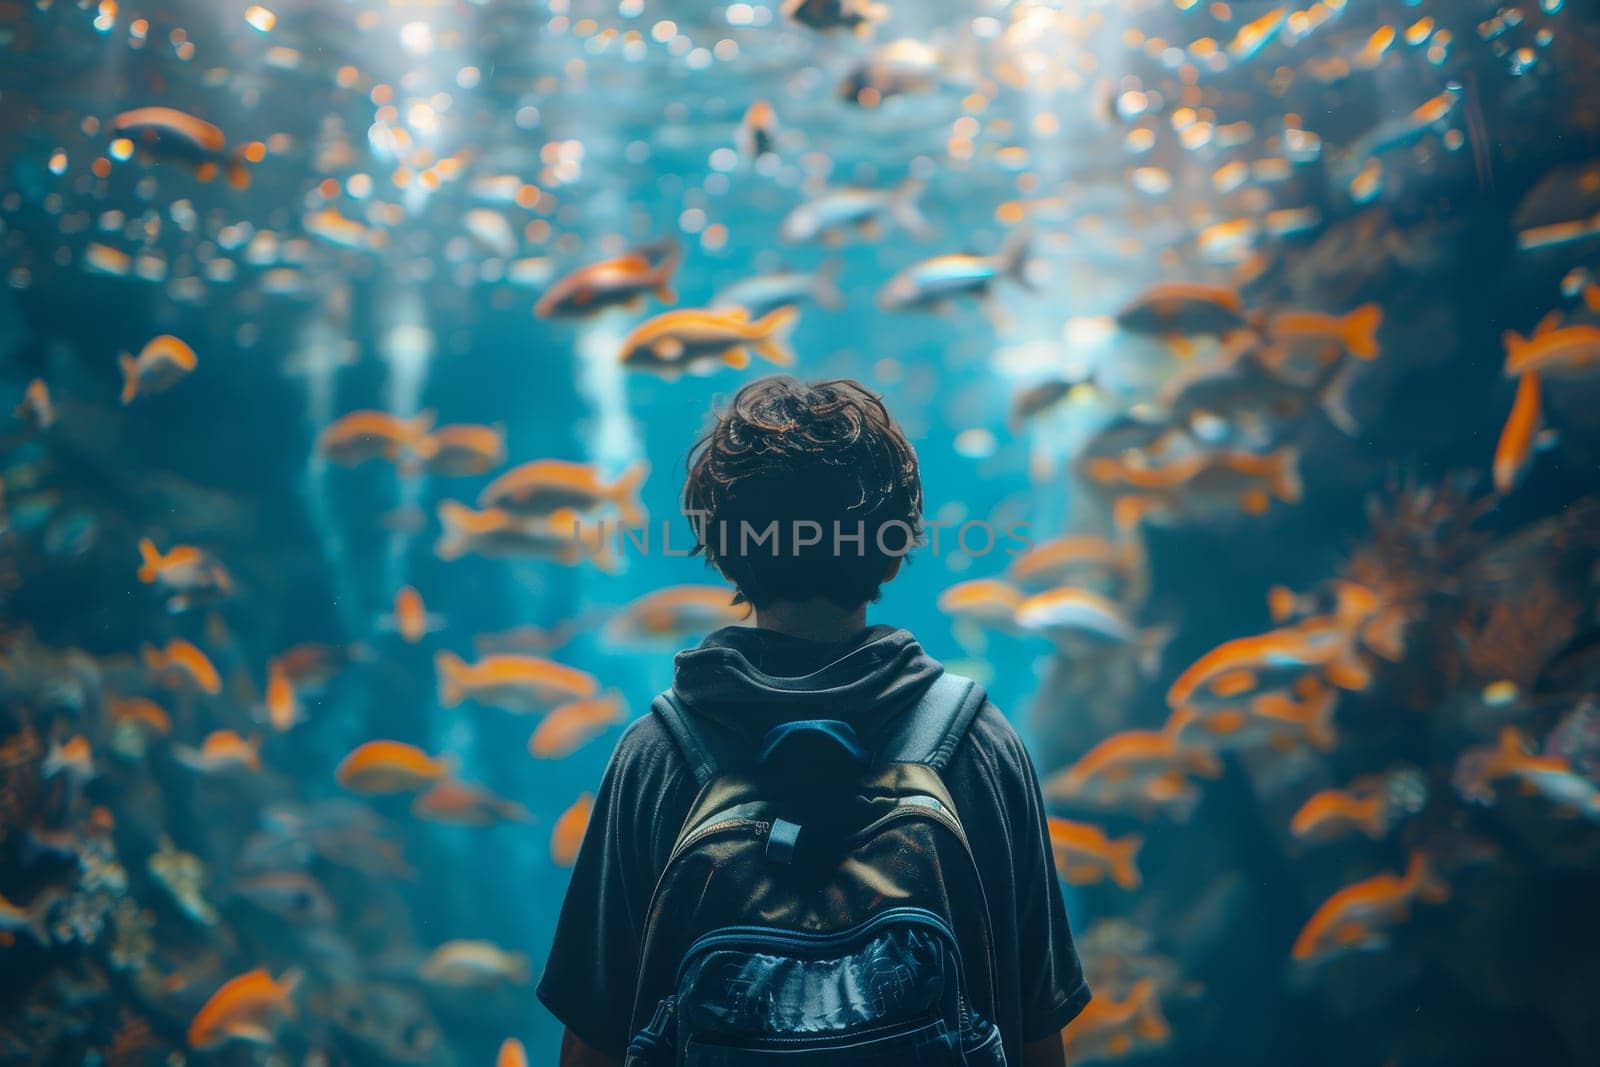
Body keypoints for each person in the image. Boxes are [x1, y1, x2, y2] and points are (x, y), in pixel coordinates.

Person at [538, 376, 1090, 1066]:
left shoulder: (657, 755)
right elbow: (1038, 1034)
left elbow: (592, 1041)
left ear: (720, 543)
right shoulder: (980, 744)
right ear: (896, 542)